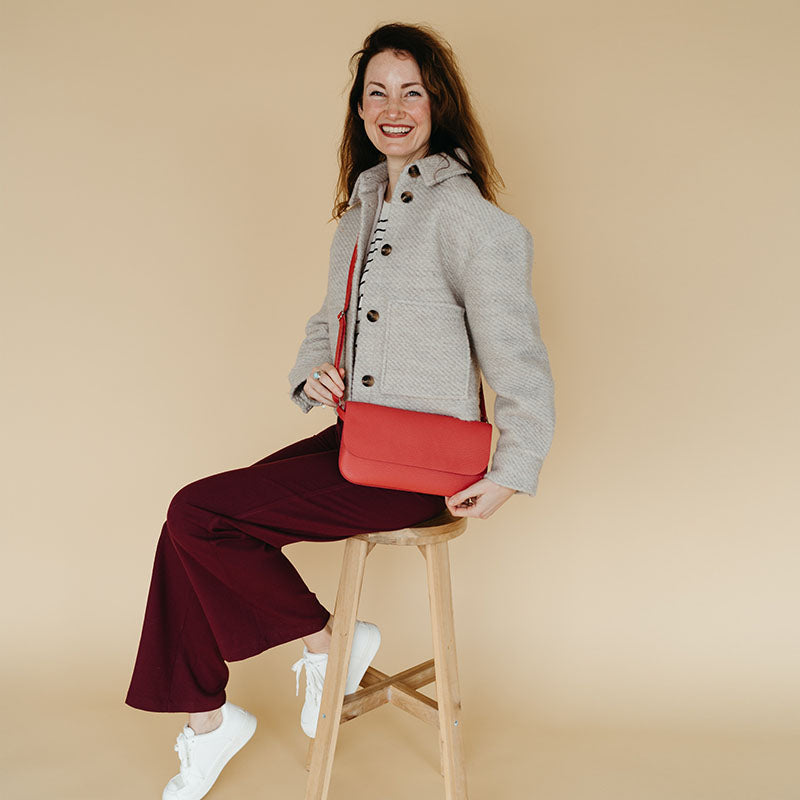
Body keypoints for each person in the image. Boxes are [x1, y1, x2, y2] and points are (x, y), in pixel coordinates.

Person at [124, 21, 555, 800]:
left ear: (439, 105)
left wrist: (512, 469)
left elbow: (517, 354)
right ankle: (208, 722)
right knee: (186, 524)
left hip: (422, 469)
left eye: (412, 93)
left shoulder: (469, 221)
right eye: (377, 94)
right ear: (359, 110)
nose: (394, 109)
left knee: (197, 512)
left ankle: (329, 640)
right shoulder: (361, 208)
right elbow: (329, 320)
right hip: (361, 440)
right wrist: (313, 374)